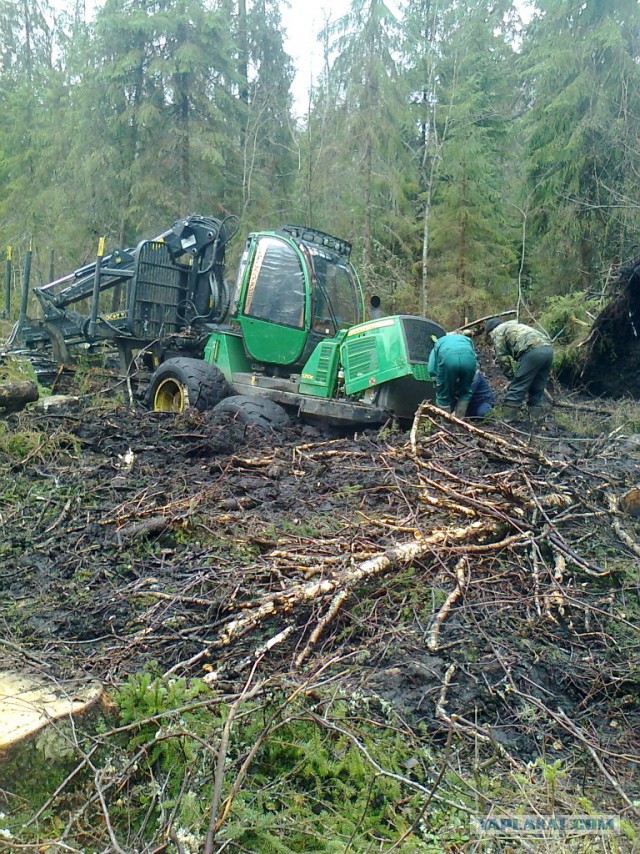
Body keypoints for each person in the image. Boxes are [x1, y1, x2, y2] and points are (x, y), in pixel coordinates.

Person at [485, 317, 553, 422]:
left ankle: (507, 420)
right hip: (548, 349)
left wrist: (512, 378)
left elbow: (502, 359)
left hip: (532, 352)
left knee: (517, 387)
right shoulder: (515, 326)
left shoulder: (497, 332)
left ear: (490, 332)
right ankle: (535, 421)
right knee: (538, 387)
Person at [427, 333, 478, 419]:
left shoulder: (439, 342)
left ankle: (446, 426)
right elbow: (473, 356)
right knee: (465, 392)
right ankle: (459, 421)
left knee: (443, 396)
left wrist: (436, 382)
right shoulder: (466, 339)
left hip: (448, 360)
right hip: (469, 361)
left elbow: (431, 367)